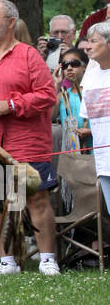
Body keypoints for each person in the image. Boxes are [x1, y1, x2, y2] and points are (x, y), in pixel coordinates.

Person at [0, 0, 60, 276]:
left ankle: (47, 259)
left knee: (35, 199)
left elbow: (48, 95)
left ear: (11, 22)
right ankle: (6, 262)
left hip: (28, 140)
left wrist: (11, 105)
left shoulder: (28, 55)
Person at [53, 47, 89, 213]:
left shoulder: (91, 92)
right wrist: (55, 85)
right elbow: (49, 117)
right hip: (71, 154)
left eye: (74, 64)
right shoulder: (62, 96)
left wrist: (89, 131)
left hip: (91, 151)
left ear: (85, 67)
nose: (69, 68)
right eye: (65, 64)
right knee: (73, 198)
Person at [80, 23, 110, 215]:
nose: (87, 46)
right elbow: (88, 118)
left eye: (93, 41)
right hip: (104, 161)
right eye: (87, 41)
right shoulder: (89, 77)